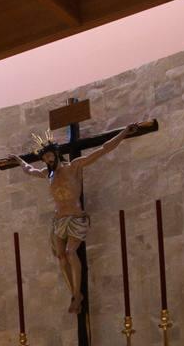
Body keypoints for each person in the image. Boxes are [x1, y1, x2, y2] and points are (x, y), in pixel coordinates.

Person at [9, 124, 137, 314]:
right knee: (61, 257)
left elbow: (103, 149)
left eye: (49, 155)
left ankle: (77, 293)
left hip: (76, 217)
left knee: (70, 253)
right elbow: (29, 170)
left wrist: (125, 132)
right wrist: (19, 160)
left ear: (56, 153)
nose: (47, 159)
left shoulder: (74, 166)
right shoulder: (47, 175)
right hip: (58, 220)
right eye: (44, 158)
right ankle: (74, 295)